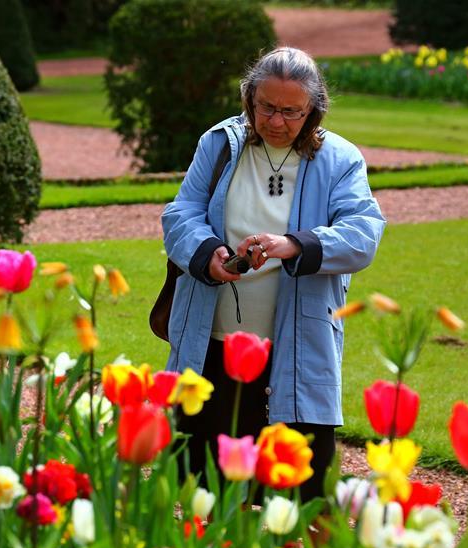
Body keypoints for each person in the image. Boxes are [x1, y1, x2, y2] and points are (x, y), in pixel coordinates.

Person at [161, 47, 385, 503]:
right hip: (213, 346)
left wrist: (293, 244)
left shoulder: (341, 159)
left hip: (297, 351)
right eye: (266, 107)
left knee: (297, 498)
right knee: (201, 491)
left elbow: (364, 233)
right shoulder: (220, 144)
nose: (276, 121)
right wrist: (208, 254)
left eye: (290, 111)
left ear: (313, 109)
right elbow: (180, 211)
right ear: (249, 99)